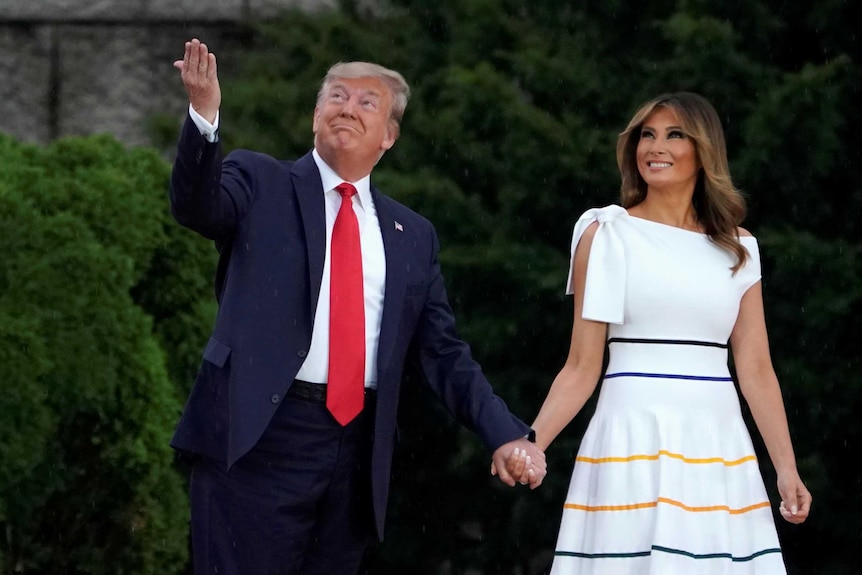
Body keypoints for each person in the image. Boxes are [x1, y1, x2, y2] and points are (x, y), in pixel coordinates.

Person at [167, 39, 545, 575]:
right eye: (336, 96)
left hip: (355, 453)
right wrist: (204, 114)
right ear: (315, 116)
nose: (347, 107)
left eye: (368, 102)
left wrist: (506, 432)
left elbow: (443, 352)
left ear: (390, 135)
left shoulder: (412, 234)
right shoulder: (260, 181)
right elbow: (195, 205)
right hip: (257, 440)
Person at [507, 92, 811, 573]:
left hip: (717, 443)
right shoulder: (606, 233)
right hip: (631, 435)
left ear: (703, 150)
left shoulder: (740, 248)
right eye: (647, 134)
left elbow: (755, 369)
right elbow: (582, 366)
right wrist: (529, 442)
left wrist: (787, 469)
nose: (655, 146)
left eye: (674, 134)